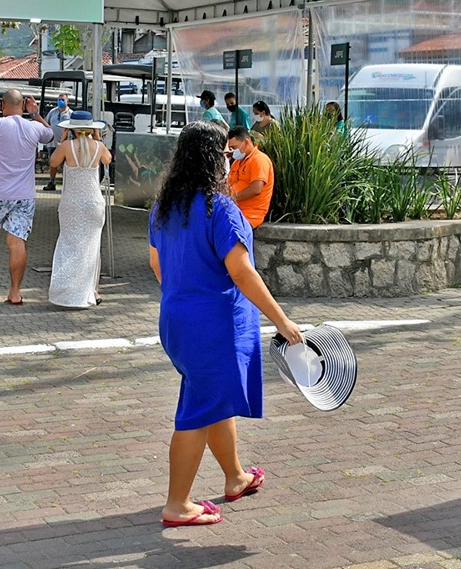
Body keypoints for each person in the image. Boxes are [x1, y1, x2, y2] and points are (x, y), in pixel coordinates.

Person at [148, 121, 303, 527]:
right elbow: (242, 272)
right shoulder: (221, 209)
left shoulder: (165, 207)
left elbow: (157, 265)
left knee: (213, 399)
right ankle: (177, 504)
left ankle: (235, 476)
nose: (228, 159)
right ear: (215, 159)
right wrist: (282, 320)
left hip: (176, 320)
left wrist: (186, 291)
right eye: (225, 154)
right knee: (197, 411)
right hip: (213, 326)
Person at [0, 89, 54, 305]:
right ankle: (15, 292)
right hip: (24, 195)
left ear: (2, 105)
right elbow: (50, 134)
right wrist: (35, 114)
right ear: (23, 105)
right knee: (17, 242)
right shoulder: (34, 127)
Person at [47, 111, 112, 308]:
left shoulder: (67, 147)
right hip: (94, 203)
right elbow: (108, 159)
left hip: (72, 204)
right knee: (92, 248)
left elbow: (53, 163)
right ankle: (93, 291)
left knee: (69, 245)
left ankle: (67, 291)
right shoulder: (98, 147)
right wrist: (98, 138)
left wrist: (63, 139)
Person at [226, 127, 275, 229]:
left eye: (234, 147)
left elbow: (256, 189)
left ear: (247, 142)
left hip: (250, 215)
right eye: (231, 148)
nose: (233, 151)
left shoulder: (259, 160)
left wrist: (231, 198)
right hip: (234, 211)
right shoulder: (237, 162)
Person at [42, 94, 72, 191]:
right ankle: (52, 182)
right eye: (59, 100)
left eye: (62, 100)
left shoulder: (71, 113)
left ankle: (67, 184)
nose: (60, 101)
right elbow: (46, 122)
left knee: (67, 165)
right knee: (53, 163)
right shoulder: (52, 112)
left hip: (66, 144)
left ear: (67, 101)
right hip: (53, 143)